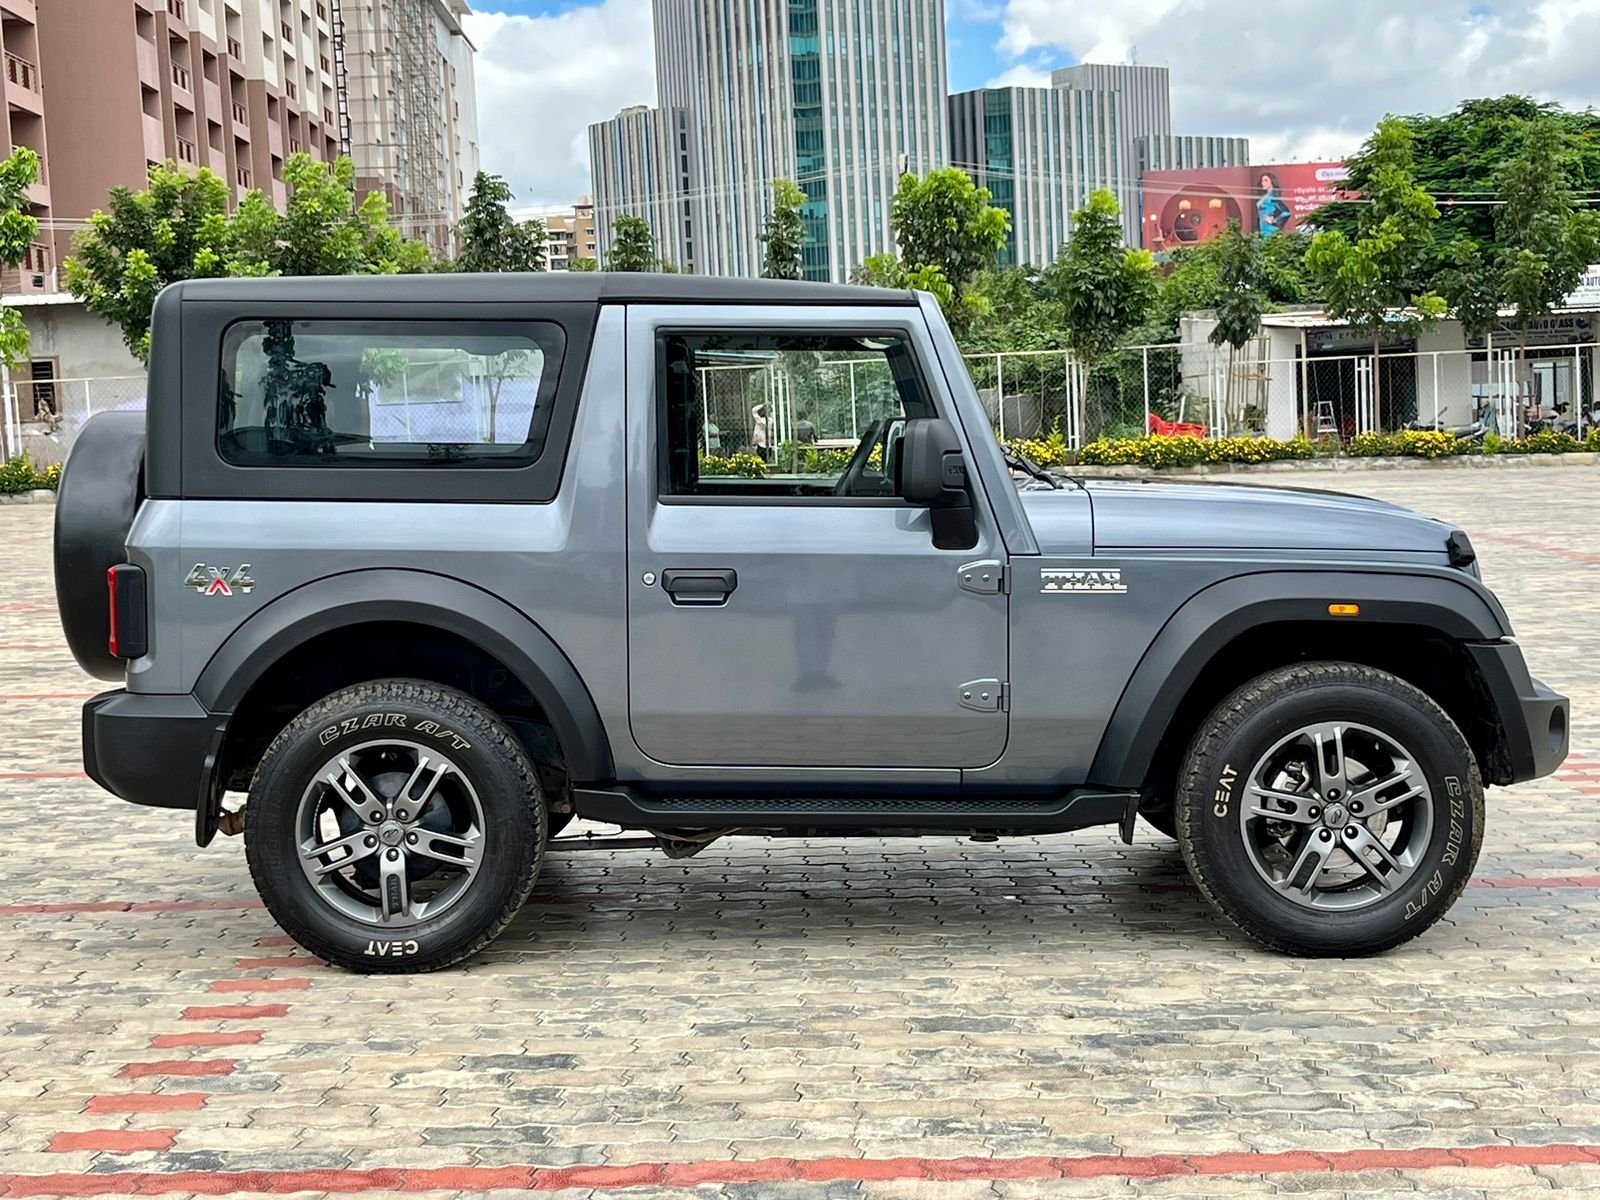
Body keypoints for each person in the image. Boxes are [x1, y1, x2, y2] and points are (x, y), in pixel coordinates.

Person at [1257, 172, 1292, 237]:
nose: (1263, 183)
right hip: (1263, 228)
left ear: (1272, 182)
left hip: (1269, 229)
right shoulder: (1266, 196)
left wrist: (1274, 220)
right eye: (1262, 181)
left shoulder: (1272, 196)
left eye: (1266, 180)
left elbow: (1286, 212)